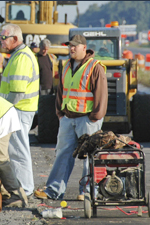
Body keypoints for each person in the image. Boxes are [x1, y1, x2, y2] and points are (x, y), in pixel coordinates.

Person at [34, 34, 108, 201]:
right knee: (63, 154)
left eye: (75, 46)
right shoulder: (66, 65)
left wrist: (95, 117)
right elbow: (61, 91)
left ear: (84, 48)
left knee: (90, 156)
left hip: (88, 120)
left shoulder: (95, 67)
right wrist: (60, 114)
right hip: (68, 119)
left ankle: (87, 191)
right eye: (70, 46)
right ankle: (54, 190)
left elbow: (101, 94)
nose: (71, 48)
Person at [0, 23, 39, 197]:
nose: (1, 41)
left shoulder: (21, 57)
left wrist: (3, 110)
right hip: (19, 110)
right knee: (15, 150)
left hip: (18, 110)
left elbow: (17, 92)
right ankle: (21, 187)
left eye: (3, 38)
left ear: (15, 39)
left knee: (19, 151)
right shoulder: (19, 55)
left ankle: (25, 188)